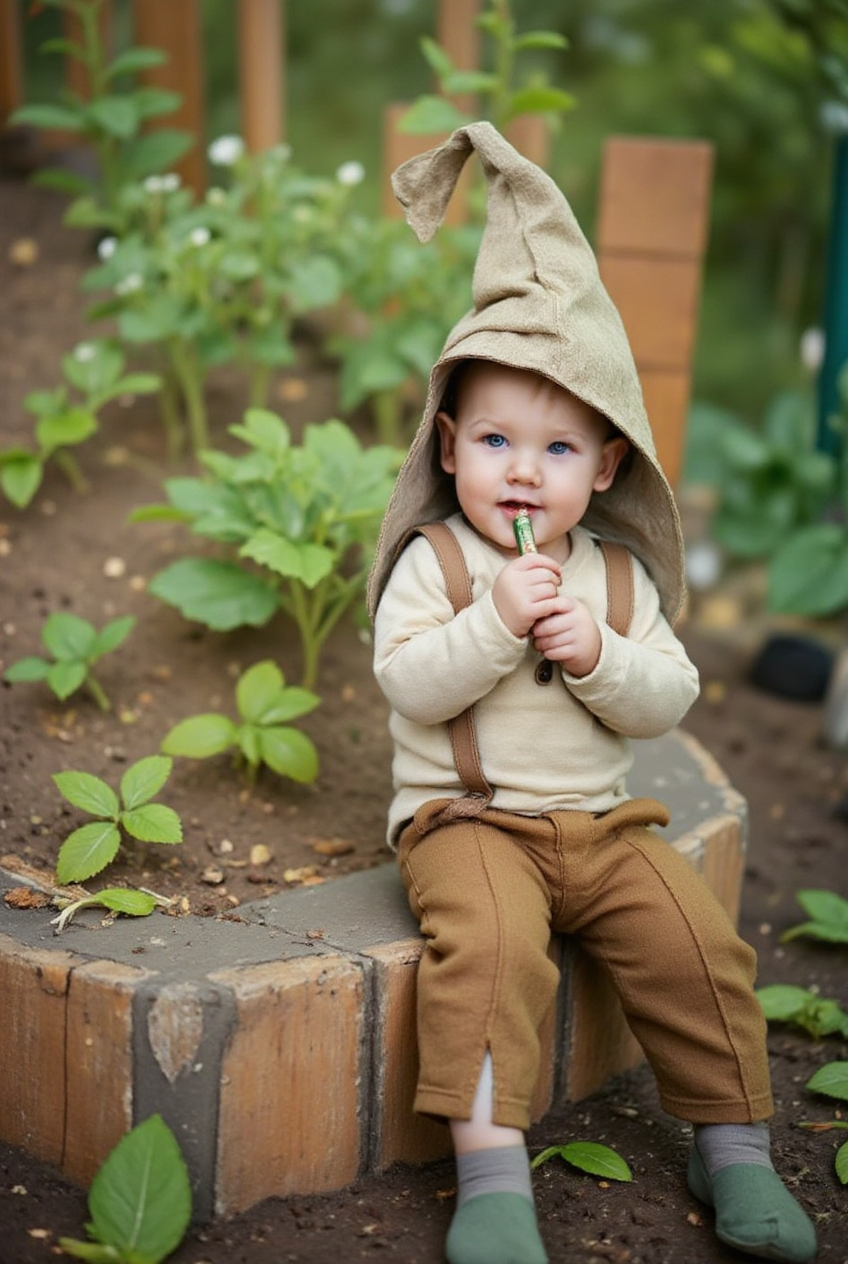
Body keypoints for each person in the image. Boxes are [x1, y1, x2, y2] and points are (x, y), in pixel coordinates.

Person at [367, 122, 817, 1264]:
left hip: (600, 827)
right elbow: (409, 682)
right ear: (449, 440)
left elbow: (664, 696)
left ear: (606, 464)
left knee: (694, 942)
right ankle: (491, 1183)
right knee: (489, 954)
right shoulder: (441, 562)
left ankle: (736, 1153)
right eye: (496, 439)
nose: (523, 469)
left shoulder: (611, 575)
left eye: (558, 448)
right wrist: (495, 621)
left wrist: (594, 654)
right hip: (467, 823)